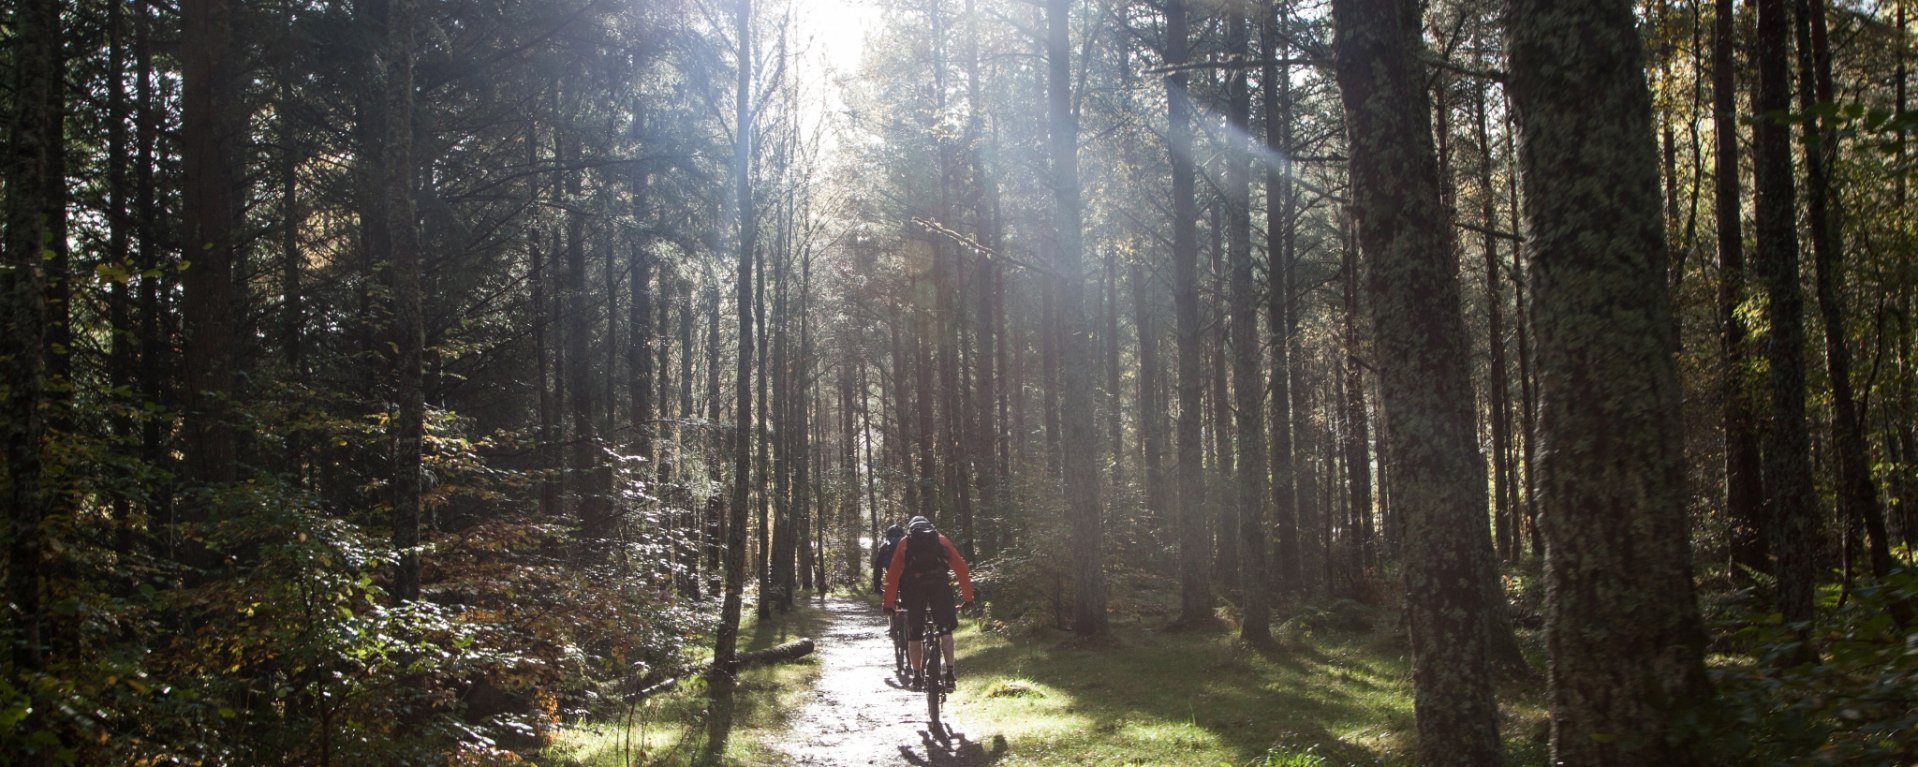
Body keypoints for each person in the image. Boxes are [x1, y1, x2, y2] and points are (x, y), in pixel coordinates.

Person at [882, 516, 974, 692]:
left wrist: (889, 604)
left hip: (914, 588)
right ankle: (949, 673)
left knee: (915, 633)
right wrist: (968, 598)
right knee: (945, 630)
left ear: (911, 529)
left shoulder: (905, 543)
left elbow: (892, 576)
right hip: (939, 585)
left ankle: (917, 677)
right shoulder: (941, 539)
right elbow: (961, 569)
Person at [872, 524, 907, 647]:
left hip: (891, 577)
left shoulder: (885, 546)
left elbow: (877, 568)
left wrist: (876, 586)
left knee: (890, 596)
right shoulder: (907, 542)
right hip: (908, 577)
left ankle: (892, 626)